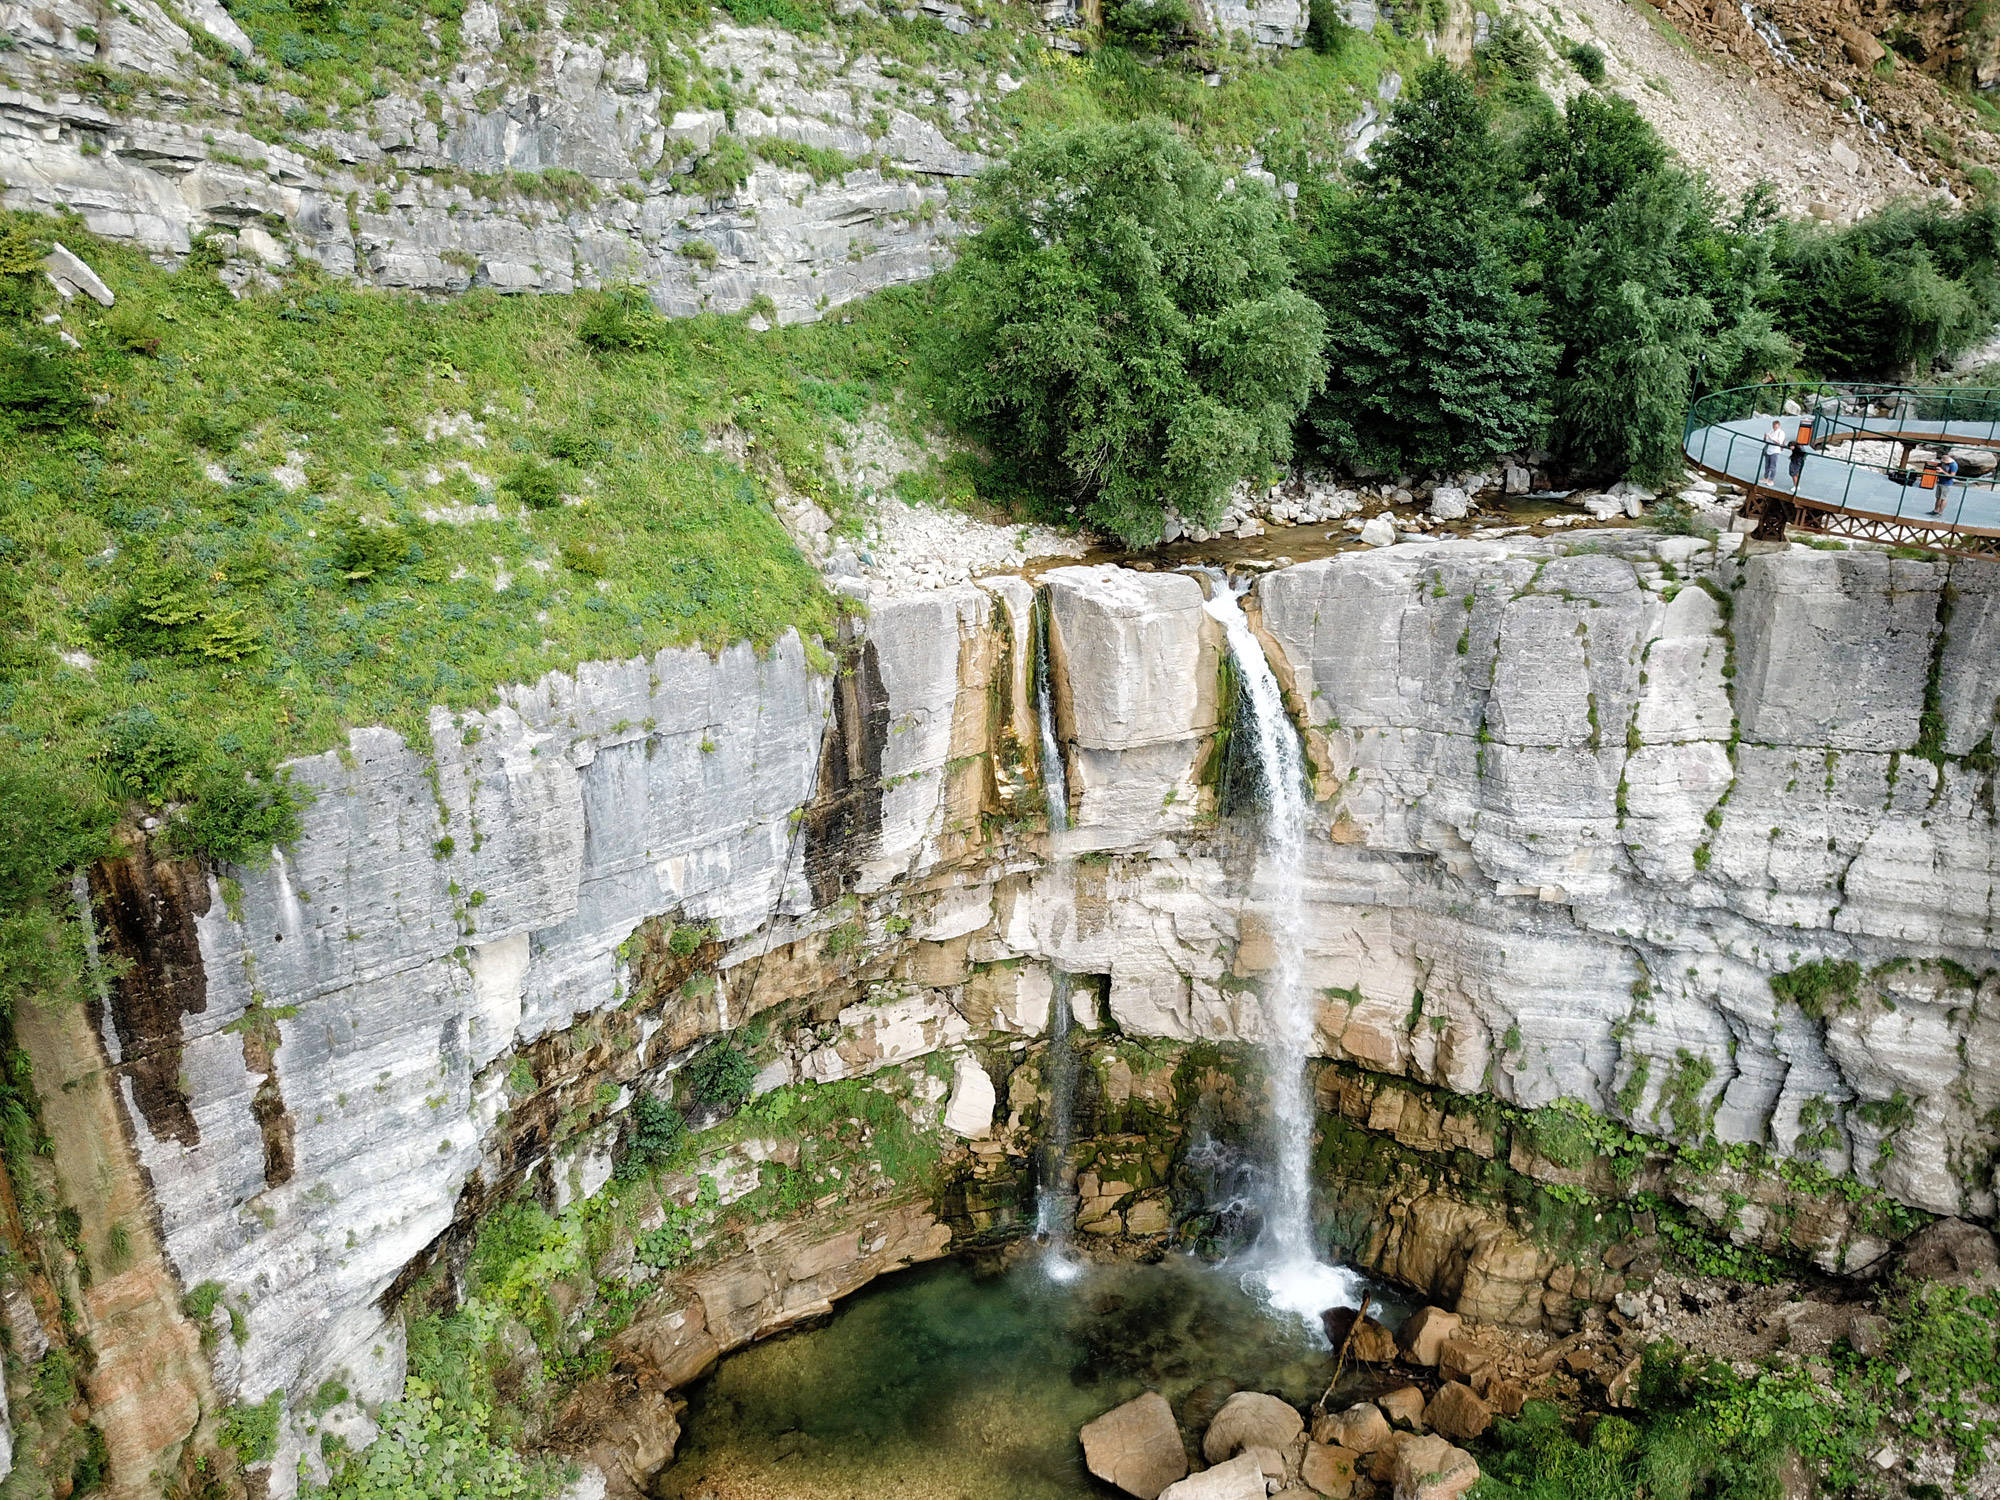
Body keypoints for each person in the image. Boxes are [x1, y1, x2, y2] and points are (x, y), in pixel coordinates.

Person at [1931, 449, 1958, 517]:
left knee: (1943, 498)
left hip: (1946, 483)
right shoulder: (1944, 463)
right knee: (1938, 497)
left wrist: (1942, 471)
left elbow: (1952, 475)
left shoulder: (1953, 465)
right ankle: (1935, 510)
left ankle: (1940, 512)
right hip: (1940, 481)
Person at [1761, 418, 1786, 486]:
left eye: (1776, 426)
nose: (1775, 428)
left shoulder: (1781, 433)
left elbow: (1779, 442)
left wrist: (1771, 438)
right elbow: (1766, 440)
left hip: (1775, 451)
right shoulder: (1771, 431)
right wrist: (1765, 437)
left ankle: (1771, 479)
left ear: (1779, 426)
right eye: (1774, 426)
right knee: (1767, 465)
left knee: (1773, 466)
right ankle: (1765, 478)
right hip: (1769, 449)